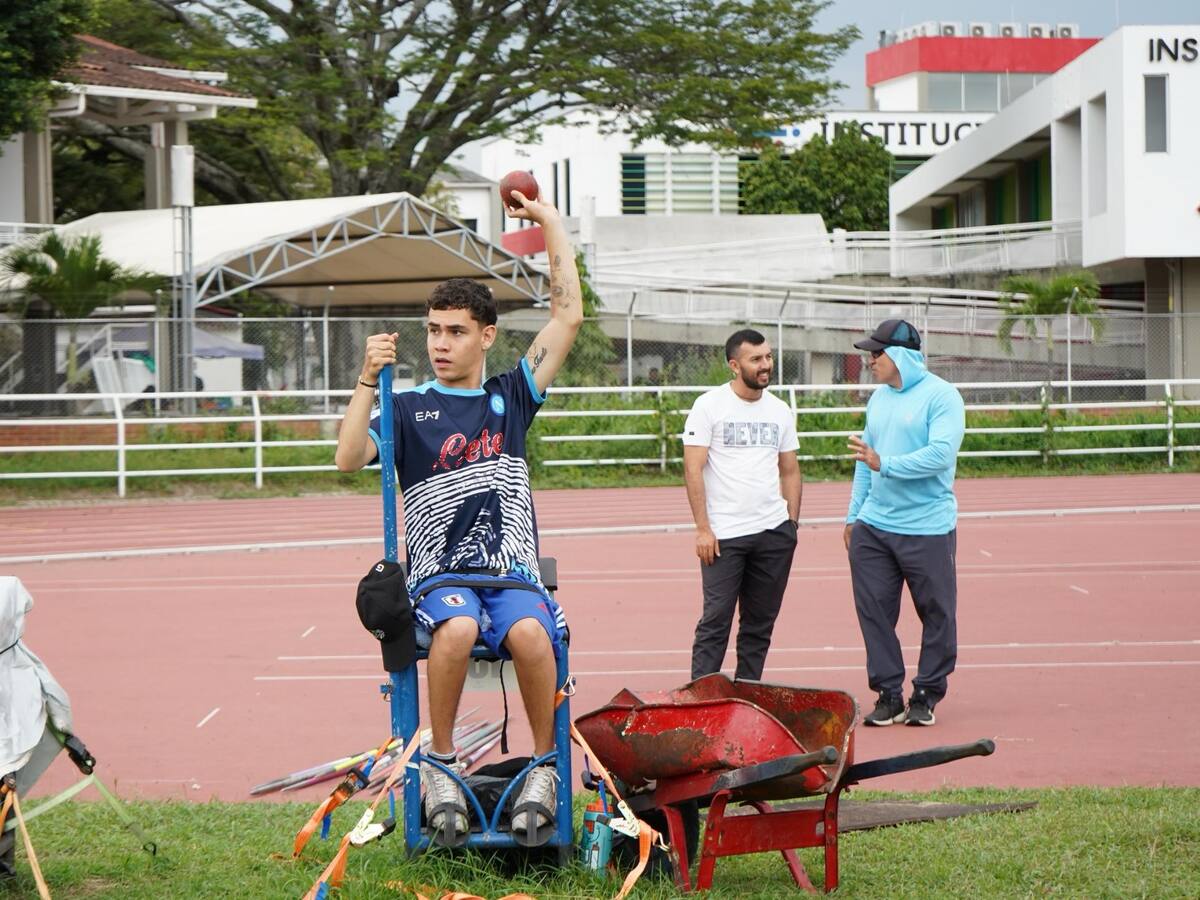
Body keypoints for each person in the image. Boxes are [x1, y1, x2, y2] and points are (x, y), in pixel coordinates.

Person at [334, 189, 582, 844]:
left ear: (486, 336)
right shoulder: (409, 407)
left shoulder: (512, 395)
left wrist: (552, 223)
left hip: (513, 575)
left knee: (533, 636)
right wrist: (366, 380)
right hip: (442, 577)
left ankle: (543, 768)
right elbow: (348, 456)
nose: (440, 343)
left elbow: (567, 316)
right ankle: (439, 763)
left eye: (455, 331)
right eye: (432, 331)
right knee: (456, 627)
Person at [844, 319, 965, 727]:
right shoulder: (878, 400)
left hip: (927, 525)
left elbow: (941, 455)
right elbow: (865, 460)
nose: (869, 361)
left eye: (876, 354)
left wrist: (887, 464)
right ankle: (889, 693)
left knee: (937, 612)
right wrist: (853, 515)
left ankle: (927, 692)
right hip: (874, 526)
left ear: (900, 356)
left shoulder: (942, 396)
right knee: (874, 611)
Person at [682, 329, 802, 682]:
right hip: (724, 536)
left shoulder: (779, 410)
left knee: (759, 625)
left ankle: (747, 695)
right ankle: (701, 699)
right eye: (756, 359)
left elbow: (791, 470)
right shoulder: (709, 406)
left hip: (773, 533)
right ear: (735, 365)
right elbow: (693, 468)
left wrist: (790, 526)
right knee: (715, 621)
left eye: (767, 357)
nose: (766, 365)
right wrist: (703, 528)